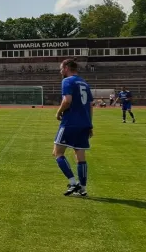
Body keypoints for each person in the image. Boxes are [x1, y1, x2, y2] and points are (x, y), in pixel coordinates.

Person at [53, 59, 93, 197]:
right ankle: (83, 188)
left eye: (61, 68)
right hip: (84, 123)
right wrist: (90, 124)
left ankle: (73, 182)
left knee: (57, 153)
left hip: (70, 122)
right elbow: (89, 106)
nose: (60, 71)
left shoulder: (67, 81)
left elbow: (67, 101)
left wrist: (58, 112)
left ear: (66, 67)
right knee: (80, 157)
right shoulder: (85, 83)